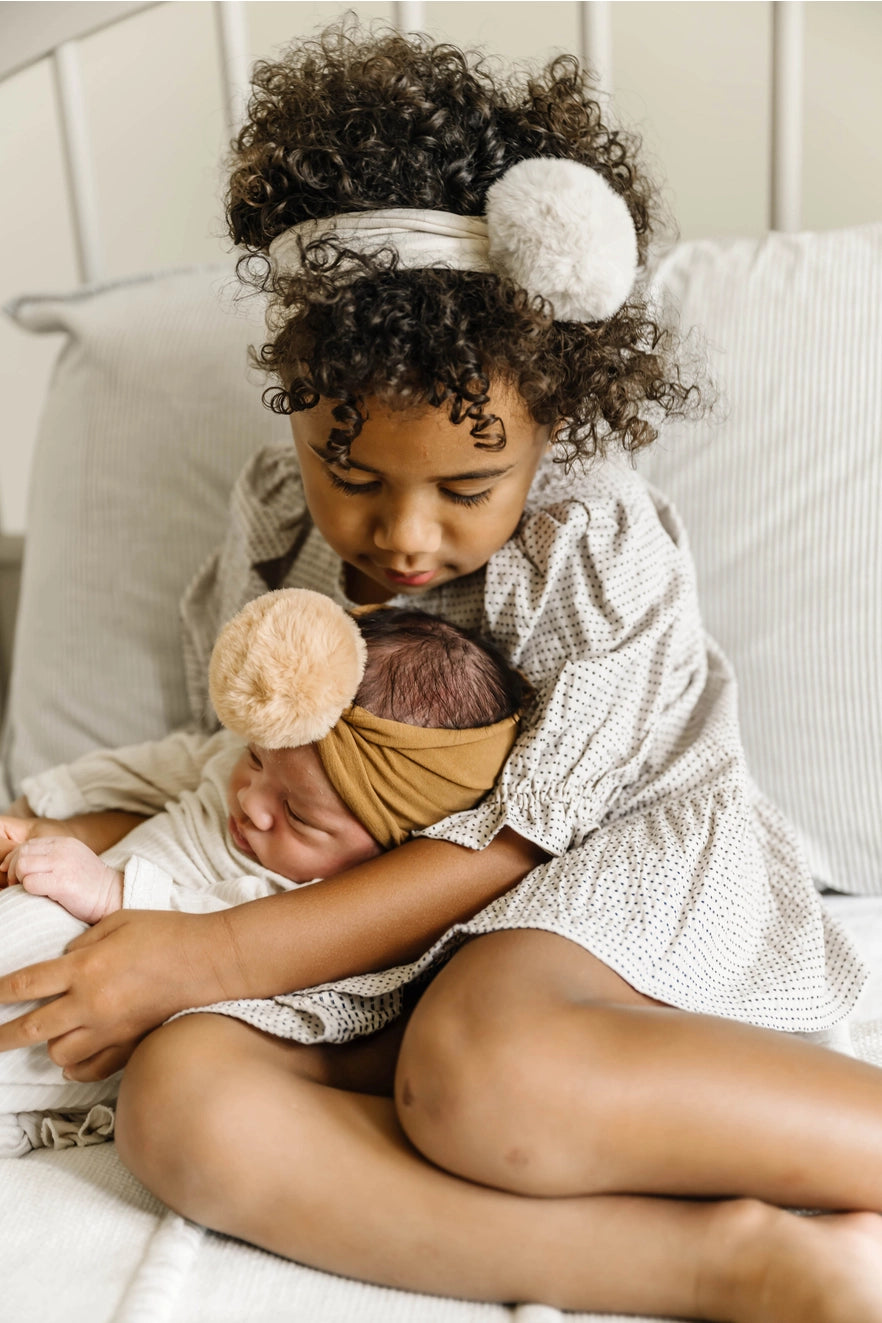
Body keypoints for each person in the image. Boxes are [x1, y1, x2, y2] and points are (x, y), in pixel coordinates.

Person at [1, 23, 882, 1320]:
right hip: (366, 938)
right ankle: (740, 1263)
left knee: (483, 1065)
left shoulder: (581, 540)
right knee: (182, 1103)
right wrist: (48, 832)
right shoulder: (276, 534)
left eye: (465, 485)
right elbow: (241, 778)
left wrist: (208, 956)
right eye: (349, 472)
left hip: (582, 881)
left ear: (554, 418)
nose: (401, 533)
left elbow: (511, 845)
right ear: (298, 405)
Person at [0, 590, 523, 1154]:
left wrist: (111, 892)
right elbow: (157, 765)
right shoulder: (265, 768)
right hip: (60, 892)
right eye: (254, 757)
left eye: (298, 814)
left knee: (32, 958)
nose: (252, 802)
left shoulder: (313, 902)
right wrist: (39, 809)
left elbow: (218, 935)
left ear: (390, 849)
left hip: (110, 989)